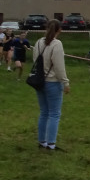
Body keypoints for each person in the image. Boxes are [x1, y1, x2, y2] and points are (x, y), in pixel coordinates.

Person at [33, 19, 71, 151]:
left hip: (40, 81)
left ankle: (42, 141)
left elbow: (35, 61)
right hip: (53, 82)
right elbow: (60, 67)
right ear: (59, 30)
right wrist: (65, 82)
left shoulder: (38, 42)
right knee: (54, 114)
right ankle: (51, 143)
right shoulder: (57, 44)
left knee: (44, 112)